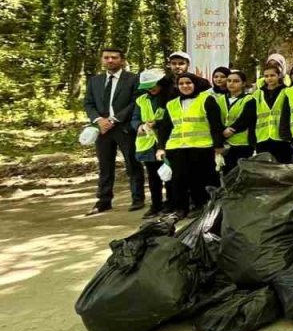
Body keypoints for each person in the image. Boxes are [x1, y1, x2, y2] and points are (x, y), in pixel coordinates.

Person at [154, 72, 224, 219]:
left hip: (201, 146)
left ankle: (199, 205)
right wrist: (161, 147)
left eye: (188, 83)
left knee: (198, 179)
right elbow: (165, 127)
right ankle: (181, 208)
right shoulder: (171, 104)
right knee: (178, 180)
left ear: (195, 84)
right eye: (181, 84)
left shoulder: (207, 99)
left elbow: (216, 125)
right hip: (176, 147)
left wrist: (218, 146)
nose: (185, 86)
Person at [83, 47, 143, 215]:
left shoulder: (133, 79)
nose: (110, 61)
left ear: (122, 60)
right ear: (102, 60)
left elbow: (136, 102)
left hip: (124, 127)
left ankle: (137, 199)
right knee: (105, 166)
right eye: (106, 58)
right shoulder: (95, 81)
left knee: (132, 164)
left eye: (114, 57)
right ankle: (103, 201)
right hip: (102, 129)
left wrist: (114, 119)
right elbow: (88, 103)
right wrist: (99, 120)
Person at [130, 69, 170, 219]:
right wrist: (139, 126)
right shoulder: (141, 100)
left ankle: (171, 204)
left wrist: (158, 123)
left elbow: (173, 118)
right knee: (153, 177)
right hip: (148, 144)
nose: (150, 89)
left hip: (166, 141)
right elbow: (134, 118)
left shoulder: (170, 97)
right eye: (147, 87)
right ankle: (156, 205)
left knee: (170, 175)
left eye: (153, 85)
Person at [254, 64, 293, 163]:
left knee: (282, 169)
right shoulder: (258, 93)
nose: (269, 78)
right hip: (262, 137)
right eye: (266, 76)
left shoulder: (287, 91)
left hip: (282, 137)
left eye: (272, 75)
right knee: (264, 170)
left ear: (279, 76)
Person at [220, 70, 257, 175]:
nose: (231, 83)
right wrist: (221, 133)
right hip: (224, 143)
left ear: (243, 83)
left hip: (243, 144)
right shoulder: (219, 99)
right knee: (226, 174)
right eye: (229, 81)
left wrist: (231, 129)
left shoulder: (249, 99)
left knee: (240, 174)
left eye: (236, 81)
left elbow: (246, 119)